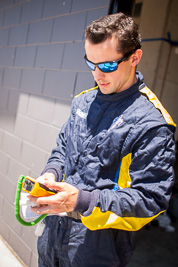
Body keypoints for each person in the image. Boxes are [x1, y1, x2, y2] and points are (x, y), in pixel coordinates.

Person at [29, 12, 176, 267]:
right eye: (91, 64)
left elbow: (151, 199)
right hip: (53, 232)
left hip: (98, 248)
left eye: (107, 65)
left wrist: (83, 201)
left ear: (135, 58)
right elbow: (63, 148)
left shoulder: (152, 124)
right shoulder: (83, 101)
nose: (97, 75)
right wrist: (51, 173)